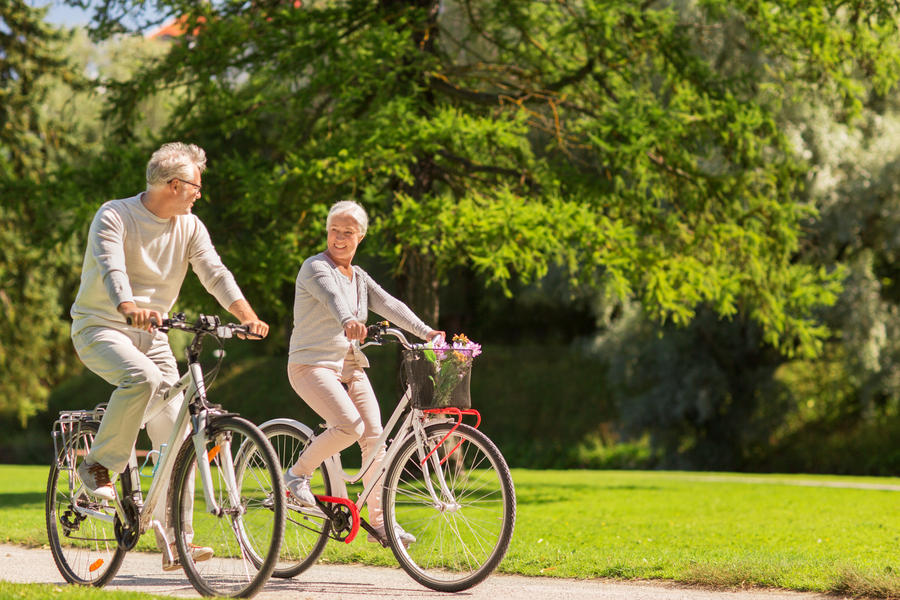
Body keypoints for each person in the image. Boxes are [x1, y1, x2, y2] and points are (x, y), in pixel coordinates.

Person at [69, 142, 270, 570]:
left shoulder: (190, 227)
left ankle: (177, 542)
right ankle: (97, 466)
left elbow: (215, 272)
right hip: (101, 328)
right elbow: (111, 268)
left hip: (154, 336)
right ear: (174, 184)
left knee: (179, 435)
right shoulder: (115, 215)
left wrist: (246, 315)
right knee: (139, 378)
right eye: (197, 186)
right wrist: (127, 306)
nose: (200, 193)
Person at [285, 200, 444, 547]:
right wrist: (348, 322)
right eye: (333, 231)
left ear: (361, 237)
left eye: (347, 233)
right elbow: (332, 299)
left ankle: (381, 523)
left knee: (375, 438)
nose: (339, 239)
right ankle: (296, 475)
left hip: (348, 365)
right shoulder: (315, 268)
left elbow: (390, 305)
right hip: (311, 365)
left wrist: (427, 332)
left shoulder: (358, 277)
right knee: (349, 426)